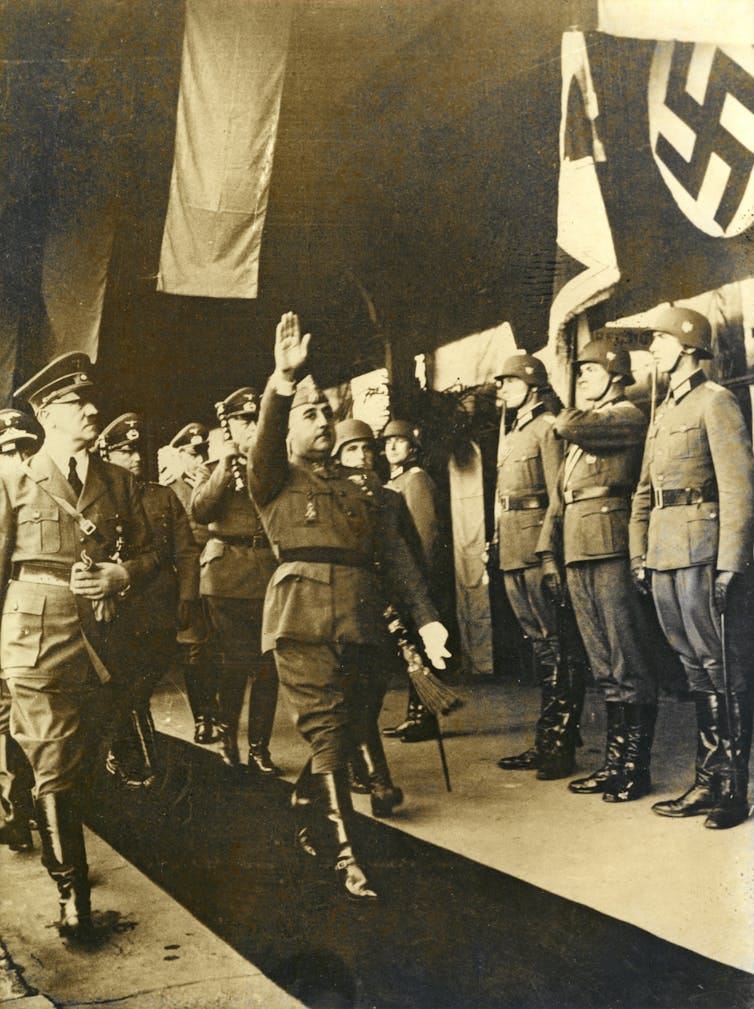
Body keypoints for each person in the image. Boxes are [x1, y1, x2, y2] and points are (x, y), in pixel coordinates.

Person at [247, 311, 450, 900]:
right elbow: (265, 441)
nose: (321, 423)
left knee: (354, 724)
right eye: (308, 415)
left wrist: (428, 621)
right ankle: (347, 857)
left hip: (363, 623)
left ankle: (305, 802)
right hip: (301, 620)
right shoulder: (273, 478)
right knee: (328, 733)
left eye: (325, 414)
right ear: (288, 430)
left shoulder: (361, 489)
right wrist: (283, 384)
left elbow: (397, 558)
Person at [0, 352, 157, 938]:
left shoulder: (120, 482)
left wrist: (124, 574)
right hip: (35, 634)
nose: (91, 410)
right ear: (46, 413)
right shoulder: (12, 479)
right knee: (52, 758)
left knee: (86, 758)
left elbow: (154, 555)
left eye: (90, 400)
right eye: (76, 402)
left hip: (103, 637)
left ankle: (61, 853)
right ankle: (73, 894)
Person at [630, 306, 754, 829]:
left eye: (657, 340)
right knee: (691, 665)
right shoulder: (663, 410)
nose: (651, 349)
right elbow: (644, 491)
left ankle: (732, 789)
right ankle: (708, 779)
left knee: (719, 663)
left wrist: (730, 564)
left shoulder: (716, 401)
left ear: (686, 345)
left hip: (703, 550)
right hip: (663, 553)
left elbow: (738, 488)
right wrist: (638, 553)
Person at [539, 342, 658, 803]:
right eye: (580, 371)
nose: (582, 378)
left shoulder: (625, 416)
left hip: (610, 547)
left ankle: (634, 768)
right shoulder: (590, 425)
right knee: (604, 663)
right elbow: (564, 495)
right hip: (580, 550)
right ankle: (614, 763)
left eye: (590, 370)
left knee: (628, 660)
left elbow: (568, 423)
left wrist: (561, 405)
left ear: (615, 375)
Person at [95, 413, 202, 787]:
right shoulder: (98, 498)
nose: (135, 458)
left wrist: (188, 597)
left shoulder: (162, 496)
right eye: (124, 451)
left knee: (142, 682)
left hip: (158, 607)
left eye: (136, 450)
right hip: (117, 609)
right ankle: (142, 761)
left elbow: (186, 551)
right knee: (130, 687)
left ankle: (130, 753)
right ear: (106, 455)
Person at [492, 353, 583, 779]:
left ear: (533, 387)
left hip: (536, 547)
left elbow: (557, 496)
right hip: (512, 548)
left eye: (510, 382)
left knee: (556, 644)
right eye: (501, 383)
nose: (503, 390)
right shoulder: (513, 432)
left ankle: (559, 744)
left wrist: (549, 553)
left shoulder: (547, 428)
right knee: (540, 646)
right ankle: (548, 739)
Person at [190, 388, 280, 776]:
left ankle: (259, 747)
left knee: (268, 666)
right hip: (226, 577)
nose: (252, 426)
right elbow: (200, 510)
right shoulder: (213, 468)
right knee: (234, 663)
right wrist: (226, 467)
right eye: (244, 420)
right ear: (228, 425)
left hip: (268, 574)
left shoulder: (273, 465)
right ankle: (228, 738)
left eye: (256, 418)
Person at [330, 418, 405, 816]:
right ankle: (379, 781)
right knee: (353, 692)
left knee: (372, 691)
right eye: (351, 450)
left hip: (380, 608)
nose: (361, 457)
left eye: (366, 449)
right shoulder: (329, 498)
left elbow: (405, 555)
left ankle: (354, 763)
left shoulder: (389, 498)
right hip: (342, 606)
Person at [381, 418, 443, 742]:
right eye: (387, 441)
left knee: (419, 647)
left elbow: (425, 535)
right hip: (398, 580)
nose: (392, 445)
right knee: (410, 648)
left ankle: (424, 717)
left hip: (415, 578)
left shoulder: (416, 479)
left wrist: (419, 581)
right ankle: (414, 714)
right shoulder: (394, 481)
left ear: (412, 447)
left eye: (399, 440)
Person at [159, 422, 219, 744]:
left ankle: (217, 712)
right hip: (190, 576)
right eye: (193, 454)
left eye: (203, 453)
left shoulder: (215, 483)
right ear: (180, 455)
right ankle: (203, 718)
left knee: (218, 646)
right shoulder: (169, 489)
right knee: (195, 648)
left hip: (220, 573)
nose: (200, 460)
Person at [0, 409, 41, 852]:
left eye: (24, 451)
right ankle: (13, 813)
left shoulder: (43, 494)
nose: (17, 461)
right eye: (7, 452)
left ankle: (21, 809)